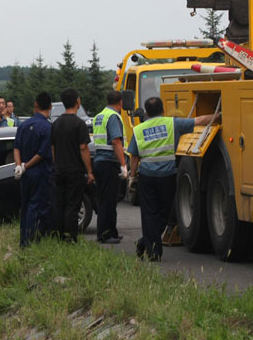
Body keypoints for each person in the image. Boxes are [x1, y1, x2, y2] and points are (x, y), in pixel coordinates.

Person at [128, 97, 217, 261]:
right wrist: (218, 115)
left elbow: (134, 156)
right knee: (165, 213)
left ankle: (145, 243)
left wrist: (132, 177)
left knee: (149, 213)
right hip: (167, 177)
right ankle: (154, 251)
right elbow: (198, 121)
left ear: (146, 113)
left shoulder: (139, 130)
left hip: (146, 177)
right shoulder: (172, 123)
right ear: (163, 110)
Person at [51, 88, 94, 242]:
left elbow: (53, 148)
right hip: (75, 170)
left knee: (60, 203)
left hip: (59, 169)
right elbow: (83, 148)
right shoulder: (79, 124)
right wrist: (89, 171)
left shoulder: (55, 123)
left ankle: (59, 235)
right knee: (73, 204)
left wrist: (56, 164)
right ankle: (71, 236)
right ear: (77, 102)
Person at [13, 92, 54, 247]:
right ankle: (31, 242)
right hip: (40, 173)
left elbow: (16, 147)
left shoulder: (23, 125)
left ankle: (23, 240)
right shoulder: (47, 128)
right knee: (37, 208)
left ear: (35, 105)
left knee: (25, 206)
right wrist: (26, 165)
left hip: (25, 175)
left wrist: (19, 166)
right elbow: (42, 154)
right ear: (50, 107)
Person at [92, 91, 128, 244]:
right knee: (108, 200)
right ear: (120, 102)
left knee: (107, 199)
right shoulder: (113, 117)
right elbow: (116, 142)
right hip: (109, 162)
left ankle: (112, 232)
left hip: (99, 161)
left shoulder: (99, 116)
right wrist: (123, 165)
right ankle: (105, 234)